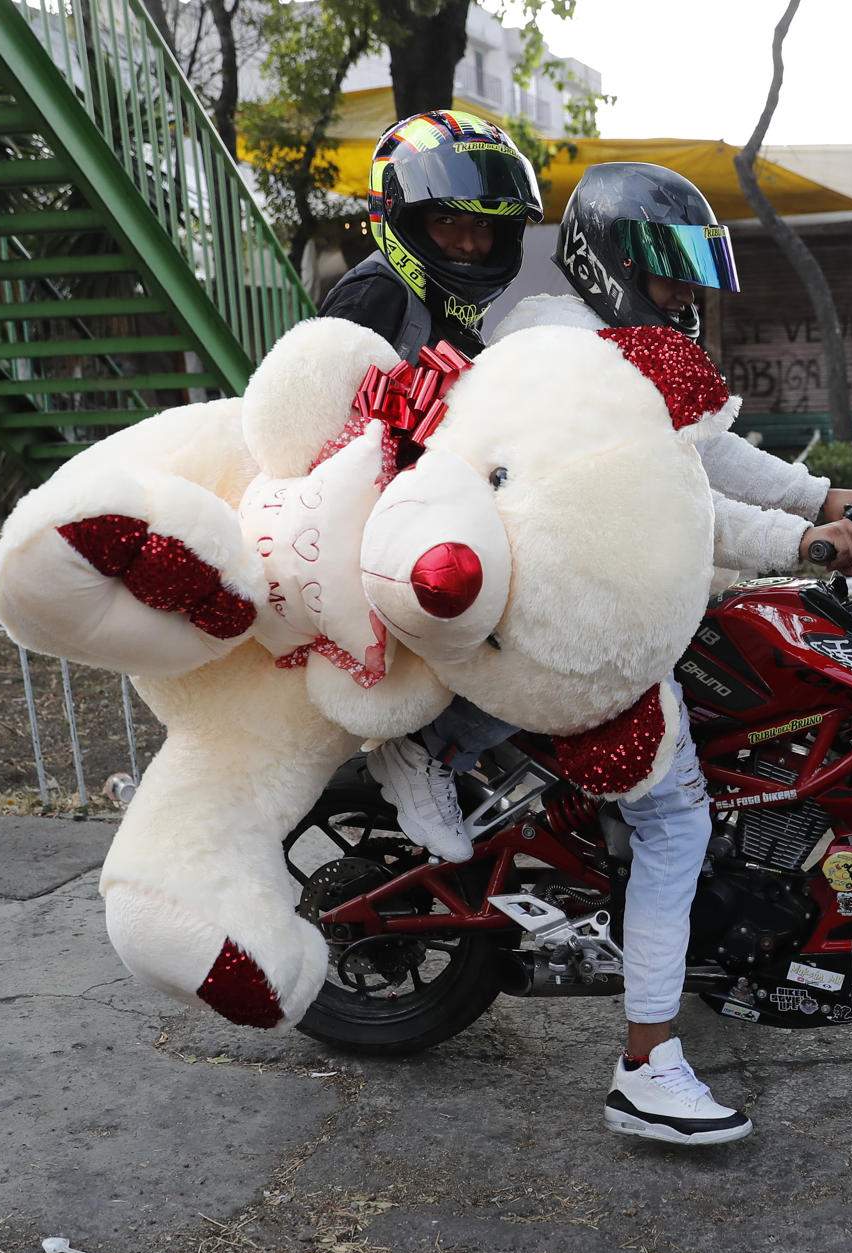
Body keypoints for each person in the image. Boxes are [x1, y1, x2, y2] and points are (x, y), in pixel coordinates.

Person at [385, 161, 852, 1144]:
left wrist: (819, 498)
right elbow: (672, 510)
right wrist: (800, 541)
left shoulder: (579, 337)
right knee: (677, 819)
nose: (684, 297)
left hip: (553, 597)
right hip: (558, 615)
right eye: (668, 277)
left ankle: (455, 757)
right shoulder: (578, 355)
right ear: (611, 262)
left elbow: (702, 451)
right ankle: (647, 1063)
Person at [316, 110, 547, 858]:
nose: (474, 244)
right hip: (382, 537)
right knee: (549, 624)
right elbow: (331, 436)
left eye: (488, 229)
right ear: (404, 217)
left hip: (435, 516)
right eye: (452, 225)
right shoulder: (374, 297)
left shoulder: (458, 307)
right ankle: (433, 753)